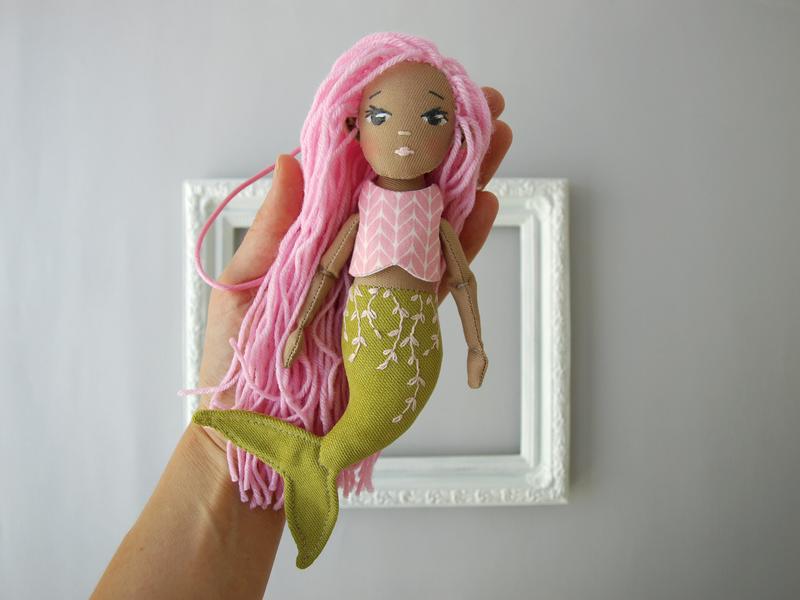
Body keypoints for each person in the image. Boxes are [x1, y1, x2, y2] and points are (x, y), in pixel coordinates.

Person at [91, 87, 511, 599]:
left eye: (433, 117)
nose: (404, 132)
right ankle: (311, 461)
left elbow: (461, 280)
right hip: (366, 336)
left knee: (384, 405)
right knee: (367, 404)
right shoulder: (365, 208)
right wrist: (298, 326)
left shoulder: (437, 214)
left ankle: (312, 460)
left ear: (455, 134)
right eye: (380, 116)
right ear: (356, 129)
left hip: (418, 350)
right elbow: (327, 273)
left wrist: (475, 345)